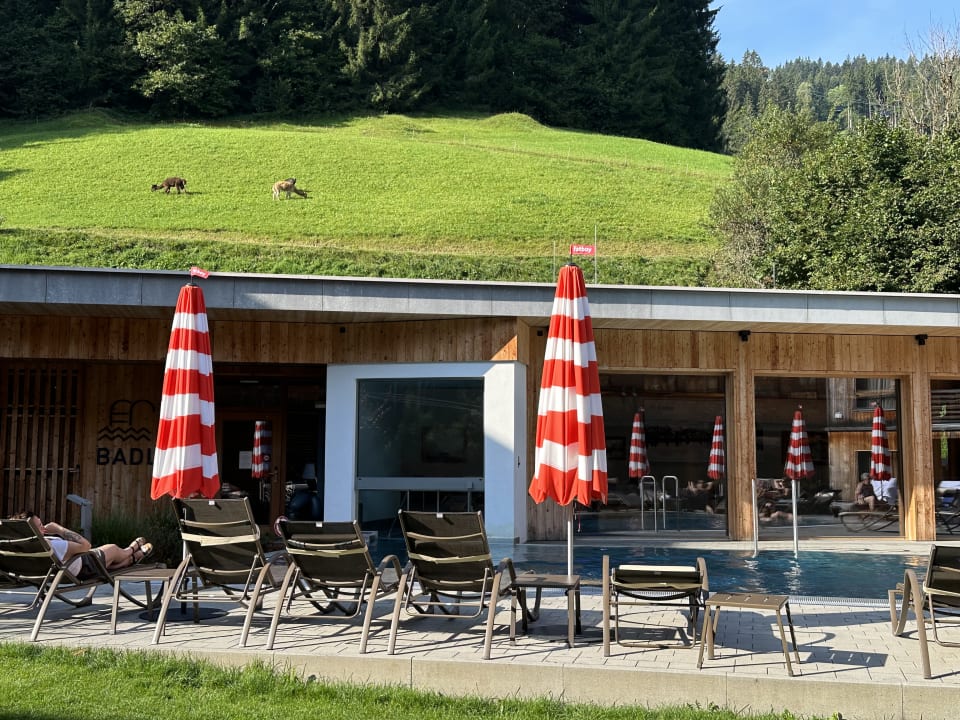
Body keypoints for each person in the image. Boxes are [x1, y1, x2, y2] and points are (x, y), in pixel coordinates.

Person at [13, 510, 152, 580]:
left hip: (64, 571)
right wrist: (58, 529)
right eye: (40, 526)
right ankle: (131, 549)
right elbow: (86, 545)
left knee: (110, 563)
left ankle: (131, 559)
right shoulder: (50, 545)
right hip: (85, 566)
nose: (43, 528)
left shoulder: (21, 545)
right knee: (113, 549)